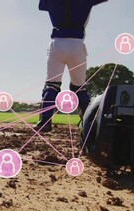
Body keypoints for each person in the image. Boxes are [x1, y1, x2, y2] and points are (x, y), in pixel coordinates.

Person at [34, 0, 107, 132]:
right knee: (79, 88)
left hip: (57, 43)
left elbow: (42, 5)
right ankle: (89, 125)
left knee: (51, 86)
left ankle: (44, 122)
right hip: (76, 44)